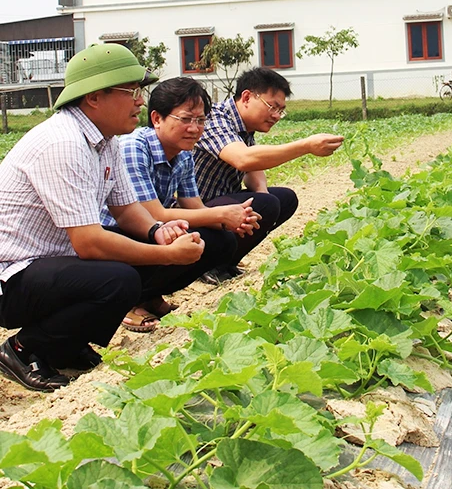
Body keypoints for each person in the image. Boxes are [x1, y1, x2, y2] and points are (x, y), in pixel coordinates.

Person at [0, 44, 207, 392]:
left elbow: (125, 209)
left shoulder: (105, 140)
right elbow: (90, 242)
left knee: (139, 263)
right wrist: (167, 255)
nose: (141, 102)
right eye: (133, 92)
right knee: (118, 280)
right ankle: (25, 349)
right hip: (13, 275)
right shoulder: (64, 143)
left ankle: (66, 344)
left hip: (50, 266)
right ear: (94, 98)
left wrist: (158, 231)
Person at [101, 77, 256, 332]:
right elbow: (150, 214)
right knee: (170, 236)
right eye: (185, 119)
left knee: (220, 240)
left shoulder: (184, 154)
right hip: (116, 233)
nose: (194, 128)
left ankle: (151, 296)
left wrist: (232, 218)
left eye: (200, 120)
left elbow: (196, 208)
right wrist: (222, 214)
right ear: (157, 119)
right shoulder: (135, 146)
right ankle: (129, 303)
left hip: (154, 227)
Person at [193, 67, 345, 283]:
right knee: (267, 203)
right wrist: (305, 145)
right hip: (193, 211)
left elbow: (253, 168)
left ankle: (225, 263)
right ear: (246, 97)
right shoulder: (215, 118)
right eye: (272, 107)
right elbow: (243, 158)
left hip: (221, 204)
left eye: (281, 110)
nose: (276, 116)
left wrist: (265, 205)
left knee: (283, 199)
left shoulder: (245, 128)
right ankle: (207, 265)